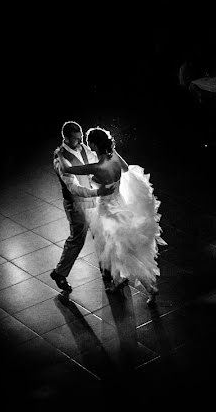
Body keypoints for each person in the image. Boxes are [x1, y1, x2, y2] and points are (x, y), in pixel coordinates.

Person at [57, 127, 166, 305]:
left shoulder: (97, 167)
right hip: (120, 204)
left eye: (88, 141)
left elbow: (68, 170)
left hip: (107, 212)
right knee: (112, 250)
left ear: (93, 144)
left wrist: (60, 155)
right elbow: (124, 168)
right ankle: (118, 280)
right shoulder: (113, 155)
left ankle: (150, 288)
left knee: (121, 251)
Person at [49, 121, 117, 294]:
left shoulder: (84, 149)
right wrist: (98, 192)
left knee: (101, 235)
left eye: (81, 138)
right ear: (66, 138)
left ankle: (107, 273)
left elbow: (95, 164)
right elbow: (73, 188)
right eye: (76, 139)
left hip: (94, 199)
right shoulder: (60, 158)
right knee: (77, 240)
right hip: (76, 205)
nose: (80, 142)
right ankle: (59, 273)